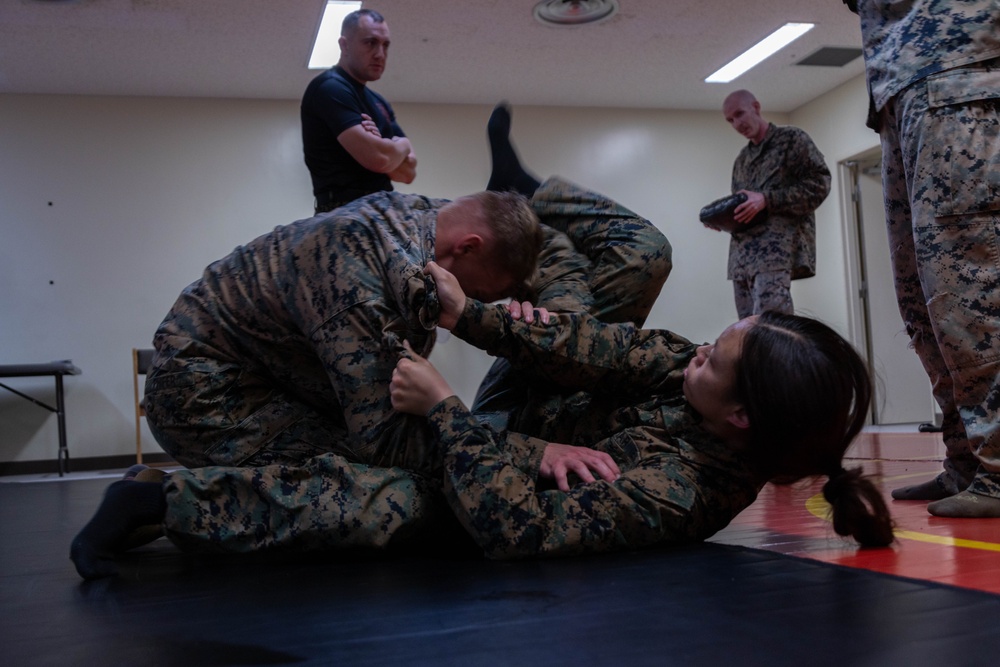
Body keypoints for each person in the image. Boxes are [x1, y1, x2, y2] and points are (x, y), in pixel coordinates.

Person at [69, 104, 672, 580]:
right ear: (467, 251)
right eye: (493, 290)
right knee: (395, 493)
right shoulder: (364, 278)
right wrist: (530, 454)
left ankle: (168, 492)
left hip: (294, 380)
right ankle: (159, 504)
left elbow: (550, 253)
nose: (489, 304)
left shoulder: (440, 218)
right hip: (209, 397)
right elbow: (388, 437)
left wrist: (554, 333)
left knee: (639, 254)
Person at [389, 262, 895, 558]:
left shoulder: (679, 493)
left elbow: (516, 526)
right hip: (529, 404)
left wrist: (443, 409)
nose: (698, 351)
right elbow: (597, 347)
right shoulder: (689, 370)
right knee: (624, 259)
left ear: (741, 415)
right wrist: (469, 316)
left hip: (493, 454)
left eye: (713, 358)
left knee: (371, 497)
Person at [842, 0, 1000, 517]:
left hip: (958, 71)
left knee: (970, 288)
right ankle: (967, 461)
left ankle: (998, 465)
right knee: (922, 300)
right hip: (900, 87)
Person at [719, 90, 831, 319]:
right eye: (730, 120)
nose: (737, 124)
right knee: (747, 334)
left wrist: (768, 200)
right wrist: (723, 220)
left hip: (775, 253)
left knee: (773, 331)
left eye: (740, 114)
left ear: (756, 107)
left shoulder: (791, 140)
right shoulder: (742, 159)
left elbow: (819, 184)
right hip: (742, 260)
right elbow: (743, 203)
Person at [301, 9, 417, 214]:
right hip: (343, 213)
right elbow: (379, 159)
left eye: (385, 45)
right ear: (344, 45)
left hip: (384, 210)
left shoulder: (378, 101)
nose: (380, 54)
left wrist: (383, 145)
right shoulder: (330, 88)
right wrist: (401, 145)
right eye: (371, 43)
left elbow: (408, 173)